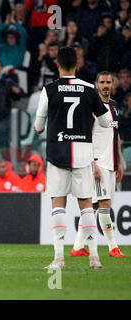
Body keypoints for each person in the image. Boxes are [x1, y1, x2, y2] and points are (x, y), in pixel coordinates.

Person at [33, 46, 112, 269]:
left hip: (57, 152)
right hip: (83, 153)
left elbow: (39, 126)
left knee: (58, 203)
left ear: (57, 64)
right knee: (86, 204)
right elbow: (106, 122)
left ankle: (59, 259)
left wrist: (39, 127)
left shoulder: (49, 89)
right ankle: (95, 257)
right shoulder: (89, 89)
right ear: (77, 65)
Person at [71, 71, 125, 258]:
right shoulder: (90, 107)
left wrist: (119, 162)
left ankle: (77, 247)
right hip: (97, 163)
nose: (105, 85)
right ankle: (113, 247)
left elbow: (115, 135)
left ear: (113, 84)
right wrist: (91, 162)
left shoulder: (115, 106)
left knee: (93, 207)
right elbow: (85, 137)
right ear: (96, 85)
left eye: (108, 82)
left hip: (111, 163)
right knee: (105, 204)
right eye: (102, 82)